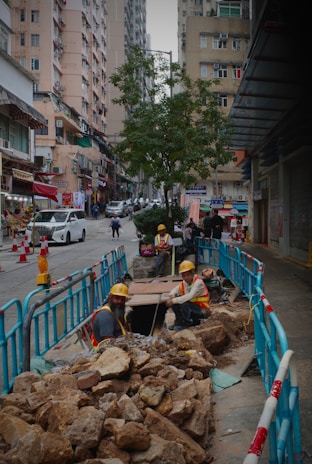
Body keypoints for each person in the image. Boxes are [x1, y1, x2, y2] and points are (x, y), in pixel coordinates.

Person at [165, 260, 210, 331]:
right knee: (177, 302)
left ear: (192, 273)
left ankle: (187, 323)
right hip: (193, 308)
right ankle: (179, 321)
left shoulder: (198, 283)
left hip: (203, 310)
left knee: (183, 302)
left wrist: (173, 300)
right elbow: (175, 289)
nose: (186, 278)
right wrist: (172, 295)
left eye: (188, 275)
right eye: (184, 276)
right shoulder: (185, 282)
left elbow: (190, 296)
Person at [90, 283, 129, 348]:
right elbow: (109, 344)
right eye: (116, 298)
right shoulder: (105, 317)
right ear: (110, 297)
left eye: (122, 299)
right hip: (105, 354)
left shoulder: (116, 312)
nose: (119, 301)